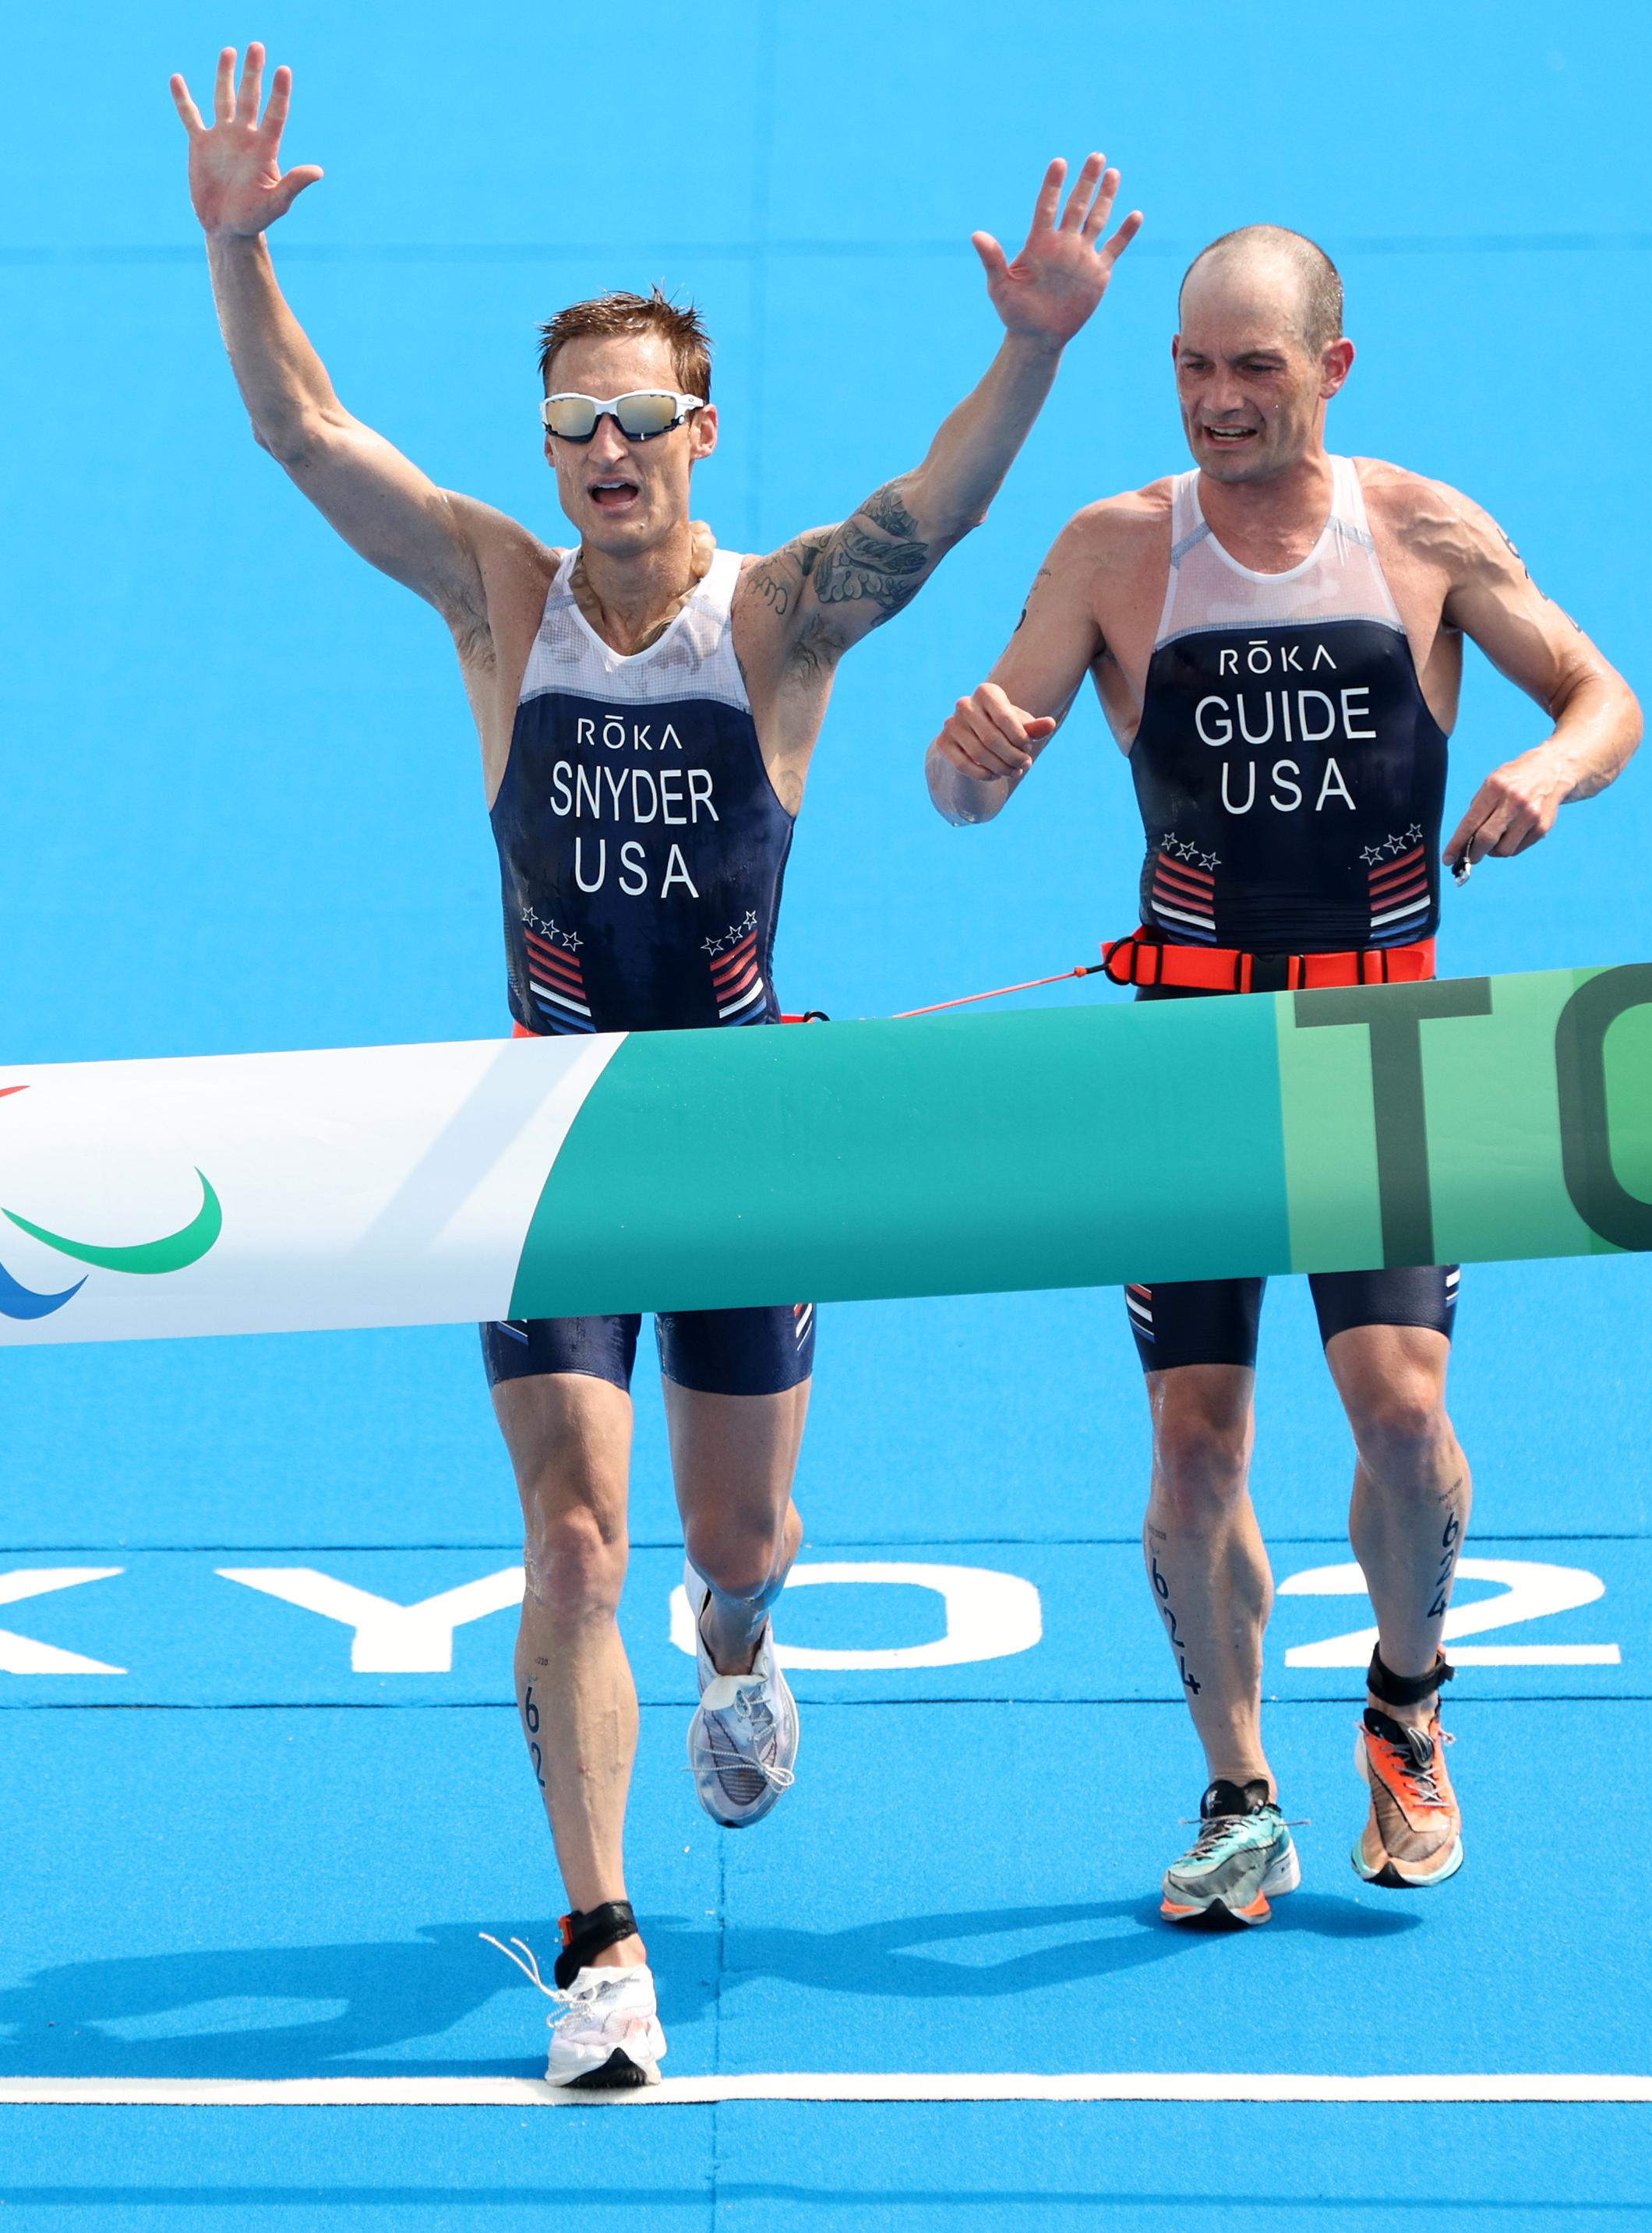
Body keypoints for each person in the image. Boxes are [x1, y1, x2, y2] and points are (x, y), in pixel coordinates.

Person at [170, 41, 1141, 2083]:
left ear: (699, 431)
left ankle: (744, 1648)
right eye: (573, 424)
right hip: (544, 1136)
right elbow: (301, 430)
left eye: (639, 419)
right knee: (571, 1535)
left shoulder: (777, 619)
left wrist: (1036, 346)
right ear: (547, 447)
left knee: (728, 1550)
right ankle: (602, 1940)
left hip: (741, 1134)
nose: (607, 452)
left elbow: (938, 515)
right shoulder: (492, 597)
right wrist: (237, 248)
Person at [927, 224, 1640, 1926]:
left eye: (1255, 366)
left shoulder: (1424, 531)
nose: (1218, 399)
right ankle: (1240, 1792)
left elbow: (1604, 694)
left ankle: (1406, 1703)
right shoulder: (1113, 548)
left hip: (1380, 1052)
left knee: (1403, 1415)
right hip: (1189, 1066)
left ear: (1334, 365)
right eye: (1192, 366)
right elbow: (969, 787)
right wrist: (969, 763)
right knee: (1195, 1446)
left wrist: (1550, 769)